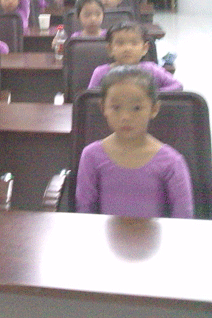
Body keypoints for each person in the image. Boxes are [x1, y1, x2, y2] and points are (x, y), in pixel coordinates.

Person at [76, 66, 193, 218]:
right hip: (104, 234)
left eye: (136, 108)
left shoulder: (171, 162)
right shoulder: (91, 155)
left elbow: (183, 218)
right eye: (116, 107)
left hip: (157, 235)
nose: (125, 117)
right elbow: (84, 212)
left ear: (154, 109)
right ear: (103, 108)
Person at [88, 21, 182, 91]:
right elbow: (91, 98)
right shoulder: (100, 72)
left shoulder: (152, 69)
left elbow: (177, 85)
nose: (127, 48)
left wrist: (152, 94)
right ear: (110, 49)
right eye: (120, 43)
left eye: (134, 43)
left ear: (144, 48)